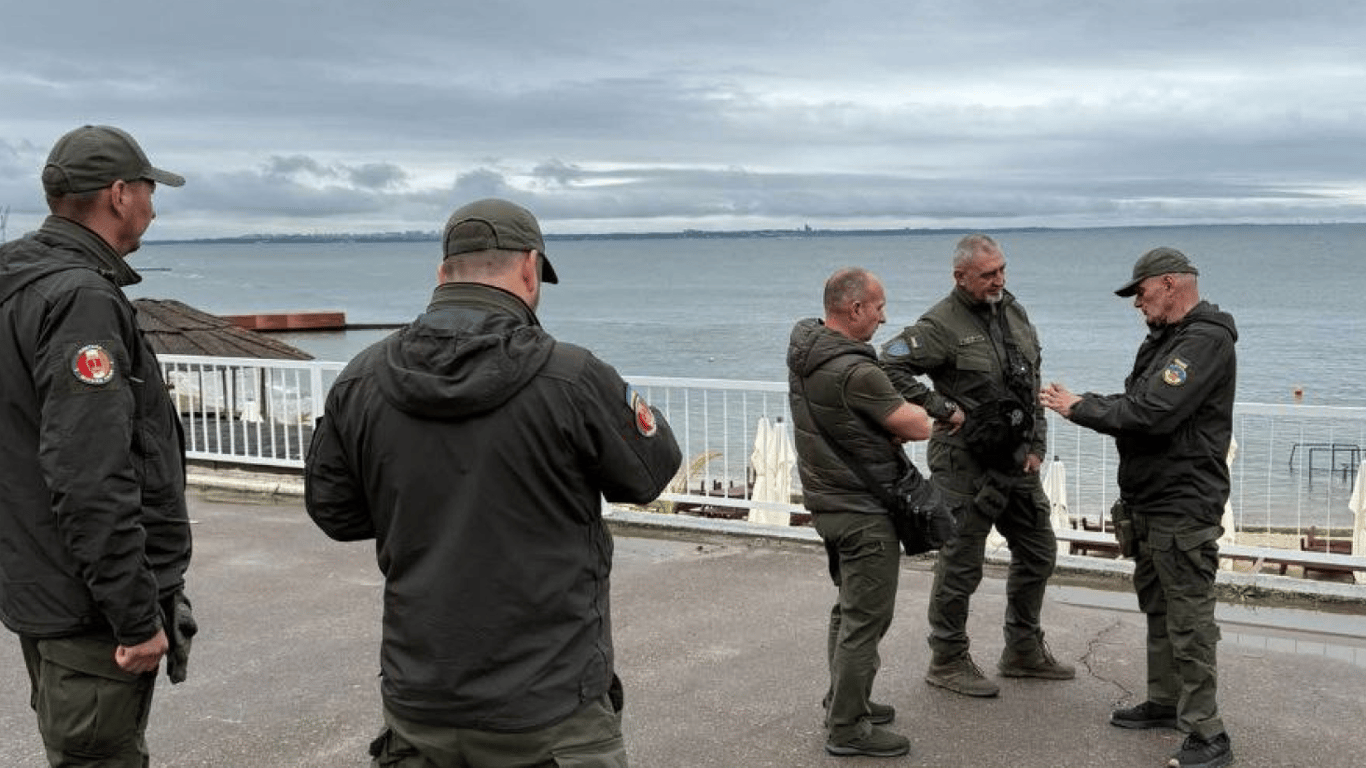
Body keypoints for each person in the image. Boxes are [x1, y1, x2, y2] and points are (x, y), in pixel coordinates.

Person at [304, 198, 682, 767]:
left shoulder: (362, 378)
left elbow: (335, 511)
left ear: (442, 273)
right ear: (530, 268)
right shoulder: (571, 377)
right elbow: (651, 471)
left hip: (422, 700)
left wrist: (417, 508)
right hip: (551, 706)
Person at [0, 125, 195, 766]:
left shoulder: (21, 282)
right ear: (119, 195)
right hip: (88, 609)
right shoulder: (80, 298)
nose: (153, 208)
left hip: (44, 584)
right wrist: (135, 615)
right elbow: (89, 474)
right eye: (148, 191)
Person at [1041, 247, 1236, 768]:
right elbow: (1137, 401)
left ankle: (1208, 735)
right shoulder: (1168, 339)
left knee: (1189, 619)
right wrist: (1083, 401)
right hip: (1151, 499)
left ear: (1169, 284)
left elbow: (1153, 414)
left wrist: (1080, 408)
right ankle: (1166, 700)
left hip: (1183, 501)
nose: (1136, 303)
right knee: (1159, 607)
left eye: (1141, 291)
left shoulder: (1204, 339)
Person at [879, 234, 1074, 698]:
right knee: (961, 563)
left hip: (1016, 461)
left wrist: (1037, 444)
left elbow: (1030, 384)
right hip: (963, 466)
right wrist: (941, 407)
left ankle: (1022, 650)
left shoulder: (1014, 312)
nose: (998, 280)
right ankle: (947, 659)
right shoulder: (940, 324)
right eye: (988, 274)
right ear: (961, 277)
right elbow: (889, 366)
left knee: (1039, 551)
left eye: (1002, 269)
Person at [787, 267, 933, 758]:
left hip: (828, 502)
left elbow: (846, 421)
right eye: (879, 307)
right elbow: (916, 426)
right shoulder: (857, 370)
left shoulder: (807, 352)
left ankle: (844, 700)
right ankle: (848, 727)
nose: (884, 317)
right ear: (854, 309)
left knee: (848, 609)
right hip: (862, 509)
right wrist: (928, 414)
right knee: (867, 619)